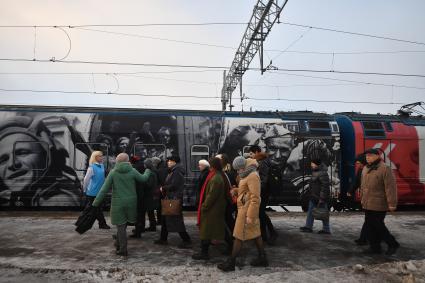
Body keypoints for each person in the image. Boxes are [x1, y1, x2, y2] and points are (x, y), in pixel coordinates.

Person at [0, 116, 81, 207]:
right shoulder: (12, 198)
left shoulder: (56, 201)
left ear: (46, 157)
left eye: (22, 153)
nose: (12, 164)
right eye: (3, 160)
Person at [218, 156, 268, 272]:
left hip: (247, 211)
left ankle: (231, 262)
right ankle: (262, 258)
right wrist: (236, 191)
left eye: (238, 169)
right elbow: (247, 192)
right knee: (256, 234)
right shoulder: (247, 174)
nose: (237, 171)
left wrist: (250, 215)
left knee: (238, 236)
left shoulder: (252, 176)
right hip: (246, 208)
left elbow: (255, 197)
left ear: (243, 166)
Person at [92, 153, 146, 256]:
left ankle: (123, 249)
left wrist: (96, 203)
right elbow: (143, 179)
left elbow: (104, 190)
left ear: (117, 161)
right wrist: (148, 170)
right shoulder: (133, 171)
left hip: (118, 203)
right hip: (131, 202)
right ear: (127, 160)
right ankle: (118, 243)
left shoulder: (113, 173)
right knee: (124, 224)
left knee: (120, 226)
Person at [361, 148, 399, 255]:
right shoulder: (365, 168)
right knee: (369, 227)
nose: (367, 157)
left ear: (377, 156)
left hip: (379, 203)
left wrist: (392, 204)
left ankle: (392, 244)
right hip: (368, 203)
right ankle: (375, 248)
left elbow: (390, 188)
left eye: (370, 155)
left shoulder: (385, 169)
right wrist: (362, 199)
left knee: (378, 226)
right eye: (366, 156)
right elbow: (363, 186)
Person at [192, 157, 228, 260]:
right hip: (213, 209)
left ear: (213, 166)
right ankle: (205, 252)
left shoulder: (216, 178)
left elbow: (211, 195)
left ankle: (204, 253)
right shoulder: (216, 175)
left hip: (211, 210)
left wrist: (204, 206)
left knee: (206, 231)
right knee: (210, 231)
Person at [154, 155, 192, 249]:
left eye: (170, 161)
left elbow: (174, 185)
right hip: (170, 198)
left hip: (174, 198)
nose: (168, 162)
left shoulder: (177, 171)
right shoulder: (174, 171)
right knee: (165, 219)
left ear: (175, 162)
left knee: (175, 219)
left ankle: (186, 239)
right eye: (168, 161)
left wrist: (163, 187)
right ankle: (163, 238)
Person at [249, 145, 278, 244]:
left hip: (263, 192)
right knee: (260, 213)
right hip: (263, 191)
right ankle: (264, 234)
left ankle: (272, 232)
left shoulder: (262, 162)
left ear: (257, 152)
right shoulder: (262, 161)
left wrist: (257, 189)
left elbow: (263, 179)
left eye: (252, 153)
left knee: (261, 212)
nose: (251, 155)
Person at [300, 159, 331, 234]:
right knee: (310, 212)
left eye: (312, 164)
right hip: (314, 196)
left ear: (317, 165)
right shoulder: (316, 172)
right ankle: (308, 227)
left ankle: (326, 229)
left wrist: (322, 198)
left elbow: (325, 187)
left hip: (320, 197)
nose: (311, 165)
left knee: (324, 213)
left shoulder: (323, 173)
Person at [82, 151, 110, 229]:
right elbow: (86, 180)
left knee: (94, 209)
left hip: (100, 191)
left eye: (102, 156)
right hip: (92, 192)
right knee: (96, 209)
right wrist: (84, 190)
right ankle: (102, 224)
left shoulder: (102, 166)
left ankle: (82, 222)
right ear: (95, 157)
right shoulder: (91, 167)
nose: (102, 157)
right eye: (100, 156)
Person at [131, 158, 159, 237]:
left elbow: (149, 184)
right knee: (150, 212)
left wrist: (142, 182)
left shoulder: (150, 173)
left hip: (148, 195)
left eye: (145, 164)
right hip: (150, 195)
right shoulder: (153, 172)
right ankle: (150, 226)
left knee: (144, 212)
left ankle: (144, 227)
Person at [347, 153, 368, 245]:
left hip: (372, 198)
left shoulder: (370, 170)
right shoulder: (360, 170)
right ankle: (363, 239)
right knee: (371, 221)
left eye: (359, 163)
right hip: (366, 198)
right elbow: (356, 182)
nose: (357, 165)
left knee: (372, 221)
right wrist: (351, 191)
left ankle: (364, 239)